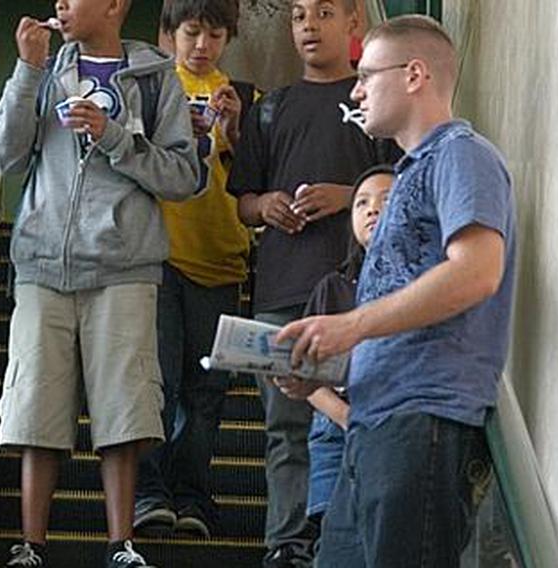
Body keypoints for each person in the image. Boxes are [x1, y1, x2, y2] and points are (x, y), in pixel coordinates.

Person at [276, 14, 517, 567]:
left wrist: (351, 325)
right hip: (371, 426)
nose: (356, 89)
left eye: (366, 74)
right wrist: (322, 366)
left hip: (422, 422)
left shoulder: (462, 154)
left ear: (414, 74)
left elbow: (479, 270)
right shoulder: (408, 176)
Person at [0, 0, 199, 565]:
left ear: (113, 6)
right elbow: (4, 157)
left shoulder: (157, 79)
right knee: (34, 406)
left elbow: (184, 176)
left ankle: (121, 544)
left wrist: (114, 136)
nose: (60, 4)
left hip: (124, 265)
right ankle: (30, 545)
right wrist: (28, 69)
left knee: (125, 407)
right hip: (41, 262)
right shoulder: (46, 68)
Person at [226, 1, 400, 566]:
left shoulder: (373, 101)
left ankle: (344, 540)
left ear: (353, 24)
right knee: (285, 424)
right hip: (281, 287)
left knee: (357, 416)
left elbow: (400, 188)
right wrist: (266, 205)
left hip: (359, 295)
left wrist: (346, 196)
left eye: (324, 12)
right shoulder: (270, 108)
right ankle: (287, 544)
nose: (308, 25)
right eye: (299, 14)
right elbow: (243, 202)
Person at [133, 0, 257, 540]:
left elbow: (257, 183)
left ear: (228, 38)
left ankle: (192, 496)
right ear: (168, 35)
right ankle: (148, 492)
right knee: (153, 381)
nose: (201, 45)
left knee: (207, 391)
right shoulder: (150, 88)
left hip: (223, 261)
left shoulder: (249, 99)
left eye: (213, 34)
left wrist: (233, 131)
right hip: (157, 257)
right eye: (191, 33)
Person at [273, 165, 393, 539]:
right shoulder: (334, 286)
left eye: (387, 201)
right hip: (335, 426)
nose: (372, 209)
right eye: (360, 203)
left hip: (394, 422)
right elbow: (309, 375)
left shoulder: (421, 289)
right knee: (334, 534)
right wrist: (343, 415)